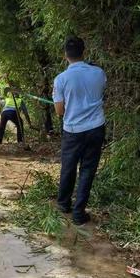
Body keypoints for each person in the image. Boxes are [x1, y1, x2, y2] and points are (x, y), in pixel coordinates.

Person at [53, 36, 107, 225]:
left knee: (68, 166)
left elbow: (59, 111)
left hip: (73, 130)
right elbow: (101, 94)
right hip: (96, 128)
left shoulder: (61, 79)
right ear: (84, 52)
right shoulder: (99, 73)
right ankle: (78, 213)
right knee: (87, 169)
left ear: (65, 55)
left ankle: (63, 203)